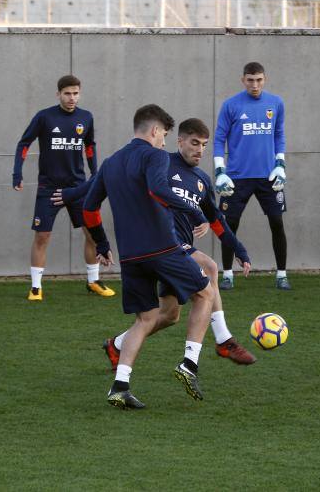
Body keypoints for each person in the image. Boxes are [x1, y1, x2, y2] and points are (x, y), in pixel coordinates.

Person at [56, 118, 256, 366]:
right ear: (179, 140)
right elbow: (106, 179)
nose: (200, 150)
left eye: (204, 145)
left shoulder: (203, 180)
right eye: (194, 143)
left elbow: (216, 220)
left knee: (169, 316)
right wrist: (70, 194)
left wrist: (239, 249)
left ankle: (117, 345)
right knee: (211, 266)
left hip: (174, 251)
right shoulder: (159, 161)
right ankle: (224, 340)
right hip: (164, 244)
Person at [81, 104, 214, 410]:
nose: (164, 143)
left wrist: (102, 244)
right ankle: (189, 365)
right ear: (155, 131)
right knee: (205, 292)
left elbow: (89, 208)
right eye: (164, 135)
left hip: (130, 256)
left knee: (147, 318)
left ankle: (120, 386)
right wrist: (195, 212)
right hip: (162, 248)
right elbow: (157, 189)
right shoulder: (153, 155)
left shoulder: (112, 162)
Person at [12, 74, 114, 301]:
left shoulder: (86, 117)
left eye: (76, 93)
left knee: (91, 233)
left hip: (78, 187)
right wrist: (17, 172)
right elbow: (24, 143)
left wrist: (95, 175)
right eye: (67, 93)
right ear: (58, 94)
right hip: (49, 188)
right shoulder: (44, 117)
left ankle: (93, 281)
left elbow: (89, 147)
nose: (72, 98)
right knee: (42, 236)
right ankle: (36, 287)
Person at [214, 61, 291, 291]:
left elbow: (279, 135)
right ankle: (227, 274)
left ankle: (281, 275)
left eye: (258, 80)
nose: (254, 85)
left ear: (264, 79)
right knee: (229, 225)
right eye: (250, 80)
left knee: (277, 223)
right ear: (243, 80)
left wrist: (280, 165)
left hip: (269, 176)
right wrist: (220, 172)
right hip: (237, 177)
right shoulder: (230, 105)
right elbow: (219, 139)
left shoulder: (276, 103)